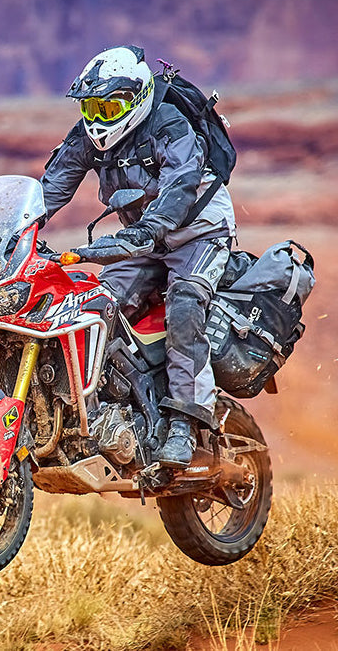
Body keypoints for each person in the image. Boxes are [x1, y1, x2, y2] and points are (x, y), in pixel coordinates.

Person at [39, 45, 236, 468]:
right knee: (93, 306)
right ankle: (108, 407)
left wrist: (149, 228)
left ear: (138, 98)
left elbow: (181, 185)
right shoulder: (87, 135)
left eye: (110, 105)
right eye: (92, 106)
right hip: (142, 237)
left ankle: (185, 421)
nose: (99, 116)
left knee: (184, 304)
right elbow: (49, 189)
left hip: (198, 233)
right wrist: (13, 230)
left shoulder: (169, 125)